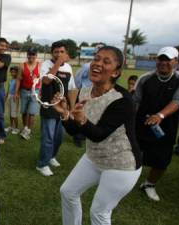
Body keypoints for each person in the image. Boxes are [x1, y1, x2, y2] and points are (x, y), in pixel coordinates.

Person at [53, 46, 142, 225]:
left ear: (116, 72)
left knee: (99, 212)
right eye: (96, 58)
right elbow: (74, 130)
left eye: (106, 61)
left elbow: (99, 134)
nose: (97, 64)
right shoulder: (85, 92)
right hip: (94, 157)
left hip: (121, 164)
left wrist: (82, 120)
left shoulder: (122, 100)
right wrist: (64, 113)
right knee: (68, 192)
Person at [134, 46, 179, 201]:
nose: (163, 62)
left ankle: (149, 184)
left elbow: (177, 101)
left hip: (166, 126)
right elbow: (136, 101)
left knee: (162, 160)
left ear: (176, 62)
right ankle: (125, 180)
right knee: (133, 153)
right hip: (141, 123)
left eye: (168, 59)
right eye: (161, 59)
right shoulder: (144, 78)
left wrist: (160, 115)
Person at [36, 40, 78, 176]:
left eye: (62, 52)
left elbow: (71, 89)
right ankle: (42, 164)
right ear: (51, 53)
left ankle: (51, 156)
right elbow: (46, 80)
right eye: (56, 52)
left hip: (63, 107)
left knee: (58, 137)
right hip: (49, 107)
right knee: (48, 137)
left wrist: (71, 109)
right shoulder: (46, 65)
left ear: (66, 53)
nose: (59, 54)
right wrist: (59, 63)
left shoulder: (69, 68)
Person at [72, 44, 104, 147]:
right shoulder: (87, 66)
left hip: (97, 94)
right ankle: (78, 136)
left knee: (93, 115)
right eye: (98, 55)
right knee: (81, 114)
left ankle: (87, 135)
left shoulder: (104, 68)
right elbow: (78, 78)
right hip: (85, 93)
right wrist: (81, 90)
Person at [15, 47, 40, 140]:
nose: (31, 56)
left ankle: (28, 131)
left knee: (32, 112)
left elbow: (42, 79)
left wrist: (39, 90)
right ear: (27, 55)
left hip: (35, 91)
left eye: (33, 54)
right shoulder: (22, 65)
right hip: (24, 91)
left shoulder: (40, 65)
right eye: (29, 54)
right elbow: (18, 79)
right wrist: (16, 92)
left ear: (36, 55)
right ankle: (25, 128)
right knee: (24, 111)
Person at [5, 66, 20, 134]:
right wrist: (6, 97)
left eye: (14, 72)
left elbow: (18, 90)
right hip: (9, 96)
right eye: (12, 72)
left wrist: (16, 96)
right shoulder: (11, 80)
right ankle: (11, 126)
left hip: (14, 97)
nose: (13, 73)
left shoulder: (18, 80)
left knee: (14, 114)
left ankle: (16, 128)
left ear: (17, 73)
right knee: (10, 113)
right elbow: (8, 90)